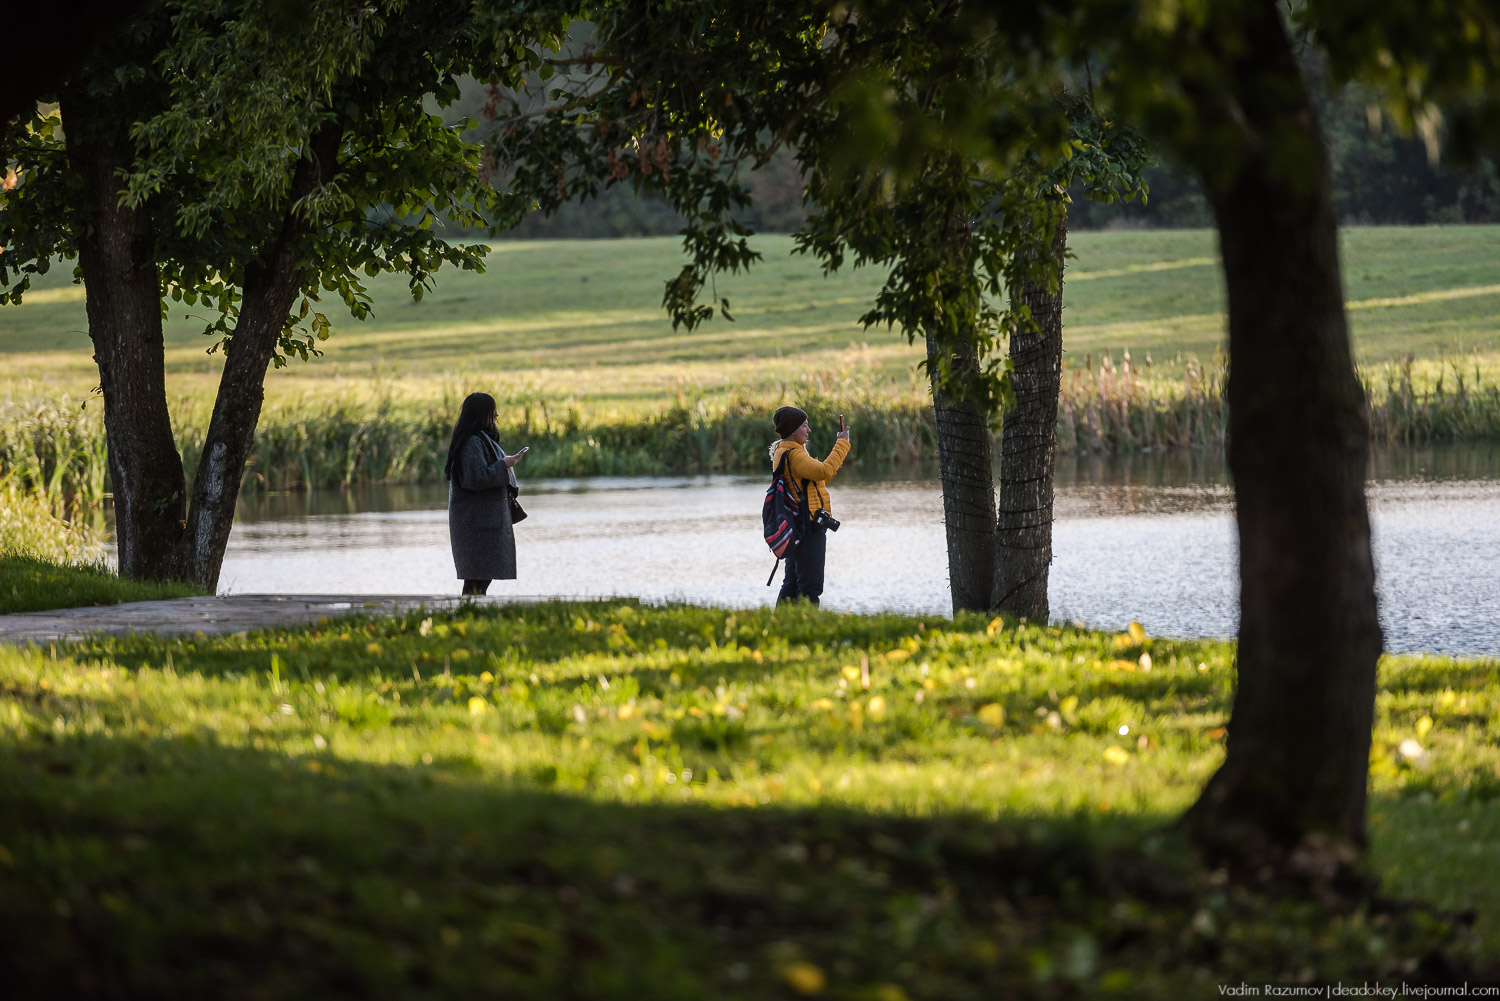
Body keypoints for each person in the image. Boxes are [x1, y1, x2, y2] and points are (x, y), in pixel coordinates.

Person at [445, 392, 527, 596]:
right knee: (476, 578)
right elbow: (475, 478)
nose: (496, 415)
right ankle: (468, 617)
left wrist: (504, 464)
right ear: (481, 414)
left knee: (480, 577)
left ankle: (472, 616)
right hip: (477, 524)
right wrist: (504, 465)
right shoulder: (472, 443)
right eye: (492, 411)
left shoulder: (478, 439)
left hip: (483, 522)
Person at [769, 404, 850, 606]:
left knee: (792, 583)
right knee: (810, 586)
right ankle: (808, 630)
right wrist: (842, 444)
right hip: (807, 527)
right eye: (805, 426)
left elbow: (814, 483)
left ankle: (779, 628)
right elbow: (822, 472)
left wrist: (832, 465)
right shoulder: (794, 455)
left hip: (798, 525)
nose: (809, 430)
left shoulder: (788, 452)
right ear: (792, 430)